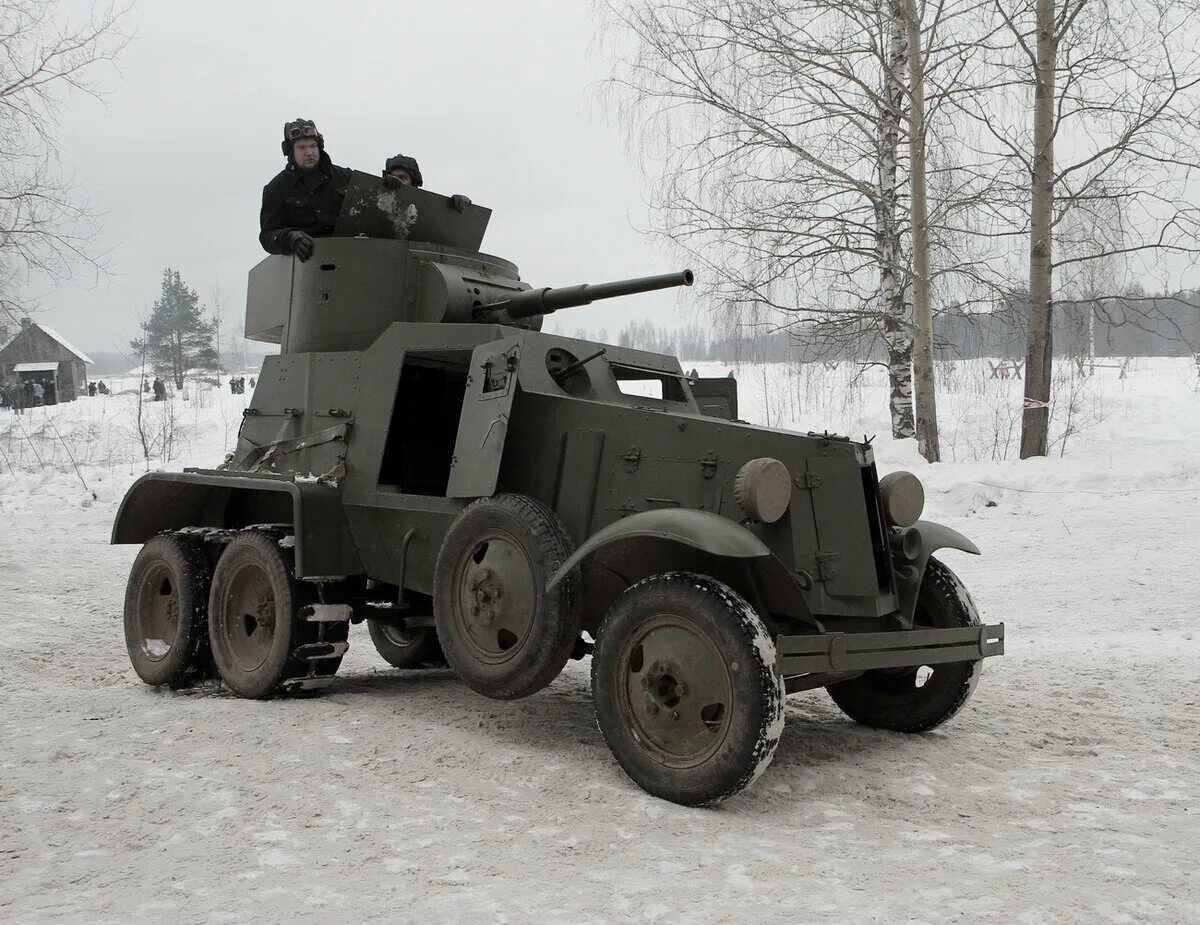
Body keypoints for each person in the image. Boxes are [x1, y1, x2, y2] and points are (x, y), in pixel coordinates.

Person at [259, 118, 356, 261]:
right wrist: (290, 238)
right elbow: (267, 235)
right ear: (291, 151)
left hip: (351, 255)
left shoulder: (344, 177)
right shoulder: (277, 189)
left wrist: (389, 184)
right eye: (301, 147)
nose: (309, 152)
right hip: (306, 262)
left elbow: (372, 200)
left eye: (312, 146)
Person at [383, 153, 471, 212]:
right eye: (392, 177)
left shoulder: (422, 208)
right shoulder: (376, 203)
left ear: (413, 184)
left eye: (402, 178)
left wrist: (458, 205)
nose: (397, 181)